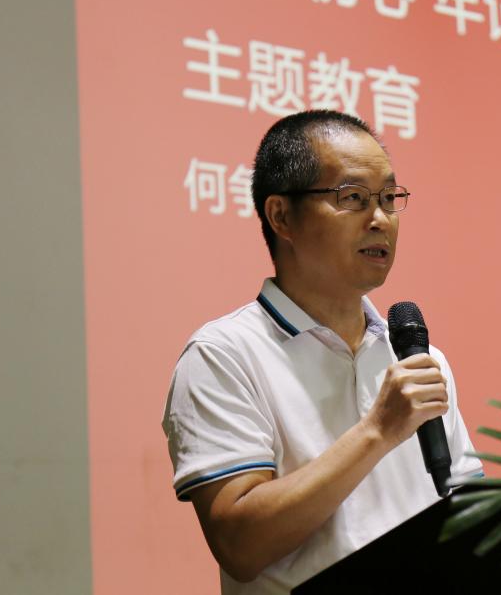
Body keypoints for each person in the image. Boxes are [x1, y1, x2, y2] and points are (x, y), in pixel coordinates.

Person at [162, 110, 482, 594]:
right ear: (281, 216)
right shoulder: (223, 355)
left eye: (389, 199)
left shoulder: (418, 359)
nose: (380, 220)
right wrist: (377, 431)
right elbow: (240, 545)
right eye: (352, 198)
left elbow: (472, 517)